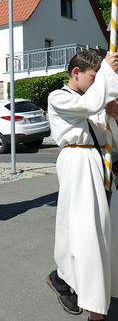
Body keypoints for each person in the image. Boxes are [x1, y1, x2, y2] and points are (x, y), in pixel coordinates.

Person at [46, 49, 118, 319]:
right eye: (94, 76)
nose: (97, 81)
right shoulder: (59, 97)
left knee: (106, 230)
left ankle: (71, 279)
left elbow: (112, 137)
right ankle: (91, 304)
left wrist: (116, 116)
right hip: (78, 161)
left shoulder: (94, 99)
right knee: (86, 232)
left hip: (100, 164)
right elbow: (89, 107)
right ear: (76, 73)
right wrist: (108, 75)